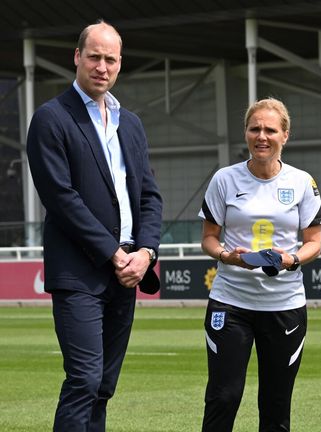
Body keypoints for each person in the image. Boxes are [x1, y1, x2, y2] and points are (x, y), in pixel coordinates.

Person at [25, 20, 162, 432]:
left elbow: (150, 195)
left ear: (120, 64)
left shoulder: (130, 123)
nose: (102, 67)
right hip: (80, 271)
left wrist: (146, 251)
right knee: (84, 379)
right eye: (95, 57)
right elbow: (62, 199)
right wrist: (114, 253)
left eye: (111, 59)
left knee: (103, 385)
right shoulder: (51, 118)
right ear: (77, 58)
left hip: (127, 271)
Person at [199, 97, 321, 432]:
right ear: (245, 133)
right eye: (255, 128)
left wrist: (291, 259)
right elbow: (209, 238)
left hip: (284, 306)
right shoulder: (224, 179)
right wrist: (228, 256)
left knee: (275, 403)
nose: (262, 136)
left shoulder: (302, 182)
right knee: (223, 397)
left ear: (285, 135)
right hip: (231, 303)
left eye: (270, 129)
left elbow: (314, 242)